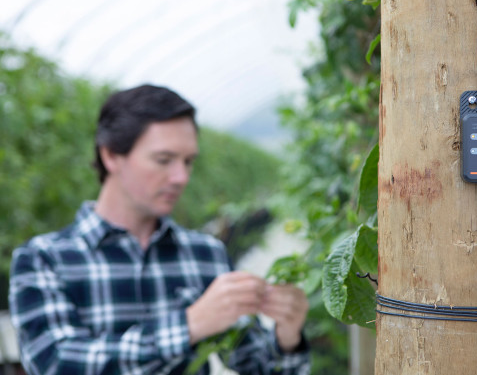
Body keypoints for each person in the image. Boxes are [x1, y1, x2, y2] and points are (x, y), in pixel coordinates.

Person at [9, 85, 311, 375]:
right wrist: (189, 325)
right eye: (163, 160)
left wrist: (287, 335)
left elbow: (255, 365)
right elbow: (56, 364)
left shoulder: (205, 254)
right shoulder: (44, 260)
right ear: (111, 155)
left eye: (188, 161)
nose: (180, 177)